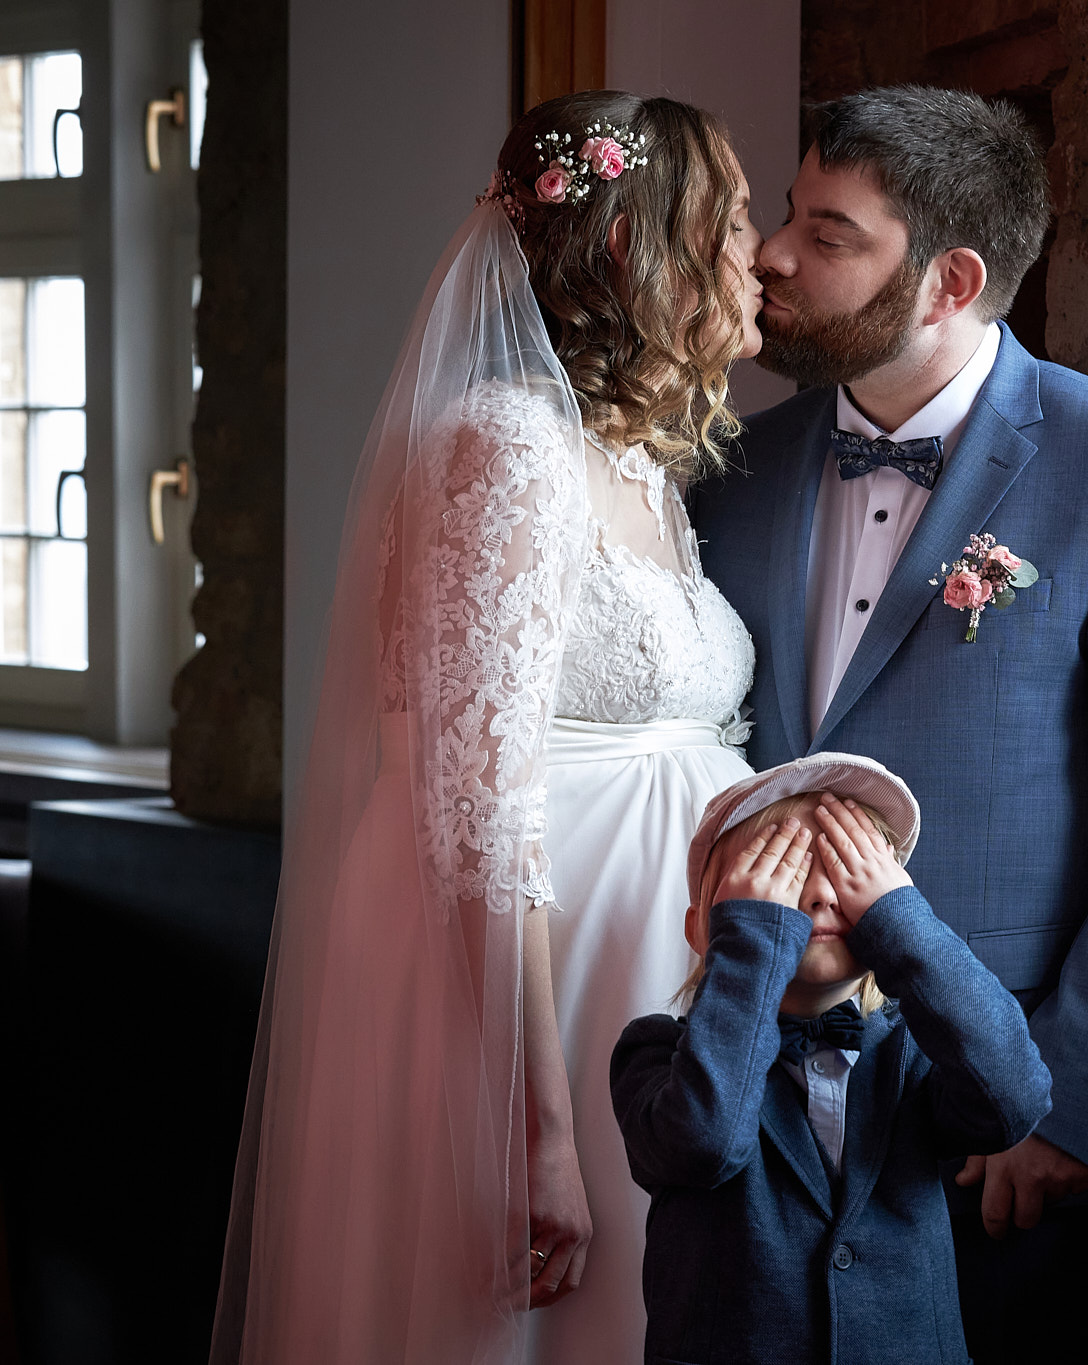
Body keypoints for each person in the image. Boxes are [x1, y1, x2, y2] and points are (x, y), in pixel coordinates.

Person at [691, 85, 1088, 1358]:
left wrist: (1062, 1108)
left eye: (828, 234)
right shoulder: (730, 469)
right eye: (786, 215)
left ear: (948, 281)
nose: (771, 254)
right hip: (753, 1083)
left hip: (999, 1106)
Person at [211, 90, 764, 1365]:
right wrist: (533, 1126)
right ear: (631, 245)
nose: (759, 252)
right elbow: (477, 808)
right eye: (732, 221)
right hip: (532, 1001)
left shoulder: (635, 465)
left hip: (651, 976)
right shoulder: (506, 447)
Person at [611, 755, 1053, 1365]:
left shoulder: (919, 1051)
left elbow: (1015, 1097)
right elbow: (706, 1143)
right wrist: (752, 940)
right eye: (783, 874)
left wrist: (900, 924)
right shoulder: (654, 1054)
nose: (819, 893)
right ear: (702, 929)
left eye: (848, 874)